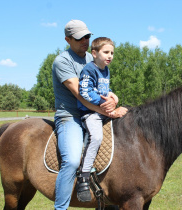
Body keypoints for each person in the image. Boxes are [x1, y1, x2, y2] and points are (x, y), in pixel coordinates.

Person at [52, 20, 127, 210]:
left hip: (95, 111)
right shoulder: (62, 61)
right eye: (79, 38)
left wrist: (112, 97)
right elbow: (81, 94)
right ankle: (60, 207)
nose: (85, 41)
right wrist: (110, 110)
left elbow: (100, 88)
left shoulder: (92, 58)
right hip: (70, 116)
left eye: (87, 36)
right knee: (72, 160)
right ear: (67, 39)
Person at [76, 37, 118, 202]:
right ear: (94, 53)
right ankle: (84, 176)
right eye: (106, 52)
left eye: (112, 53)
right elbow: (85, 92)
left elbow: (102, 89)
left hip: (102, 110)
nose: (110, 56)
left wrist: (111, 94)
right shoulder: (89, 69)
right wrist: (104, 101)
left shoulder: (105, 70)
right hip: (90, 112)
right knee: (97, 137)